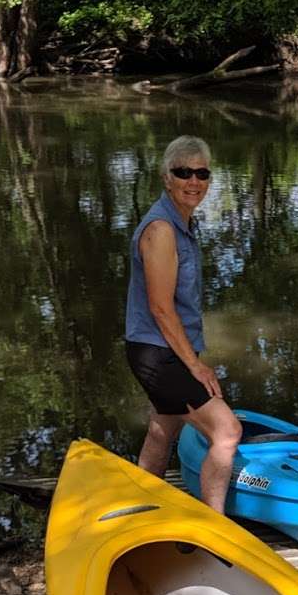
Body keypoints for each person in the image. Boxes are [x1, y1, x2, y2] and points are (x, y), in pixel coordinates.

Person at [125, 136, 241, 512]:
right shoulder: (161, 230)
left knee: (165, 426)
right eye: (183, 172)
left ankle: (141, 507)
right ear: (166, 178)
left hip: (160, 348)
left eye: (202, 173)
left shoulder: (183, 225)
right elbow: (160, 309)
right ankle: (213, 530)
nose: (194, 181)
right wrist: (194, 364)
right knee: (226, 431)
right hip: (158, 353)